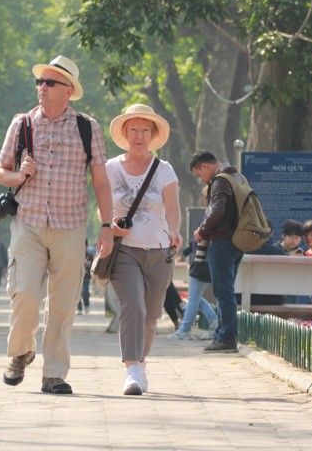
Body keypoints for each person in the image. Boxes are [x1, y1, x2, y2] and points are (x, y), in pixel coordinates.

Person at [0, 55, 113, 395]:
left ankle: (54, 374)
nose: (41, 88)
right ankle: (20, 353)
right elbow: (0, 171)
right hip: (28, 223)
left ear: (68, 91)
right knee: (24, 295)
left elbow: (101, 183)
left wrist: (107, 226)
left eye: (50, 83)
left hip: (71, 225)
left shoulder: (87, 127)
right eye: (39, 82)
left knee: (62, 305)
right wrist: (19, 175)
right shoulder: (22, 124)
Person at [105, 104, 183, 395]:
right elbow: (102, 208)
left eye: (145, 130)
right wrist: (110, 225)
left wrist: (174, 230)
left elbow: (173, 209)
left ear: (153, 135)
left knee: (150, 318)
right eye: (134, 129)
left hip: (159, 252)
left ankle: (141, 366)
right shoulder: (110, 168)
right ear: (125, 133)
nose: (139, 135)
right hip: (124, 250)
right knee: (133, 307)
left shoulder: (164, 170)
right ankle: (131, 370)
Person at [191, 150, 244, 353]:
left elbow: (217, 211)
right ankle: (223, 335)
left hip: (222, 242)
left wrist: (201, 231)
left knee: (223, 292)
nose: (200, 179)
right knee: (225, 290)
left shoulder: (220, 180)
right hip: (237, 241)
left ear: (205, 166)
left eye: (198, 174)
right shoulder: (236, 176)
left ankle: (226, 337)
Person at [167, 238, 219, 342]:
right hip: (207, 264)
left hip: (203, 264)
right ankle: (214, 323)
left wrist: (196, 235)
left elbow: (199, 236)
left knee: (193, 299)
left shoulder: (209, 227)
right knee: (196, 298)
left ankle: (184, 330)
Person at [77, 242, 93, 315]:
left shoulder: (89, 256)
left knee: (84, 292)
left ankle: (86, 305)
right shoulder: (76, 255)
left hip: (86, 277)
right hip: (77, 277)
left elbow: (93, 267)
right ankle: (79, 308)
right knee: (77, 293)